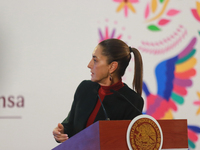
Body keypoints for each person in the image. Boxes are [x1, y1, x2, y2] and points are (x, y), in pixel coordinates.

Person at [53, 39, 144, 143]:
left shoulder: (132, 101)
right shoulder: (85, 88)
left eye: (95, 60)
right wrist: (62, 131)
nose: (89, 65)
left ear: (112, 67)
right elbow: (70, 124)